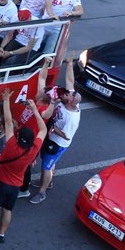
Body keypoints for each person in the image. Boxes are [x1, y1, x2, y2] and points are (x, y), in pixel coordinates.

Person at [0, 89, 47, 248]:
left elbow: (8, 122)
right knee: (7, 209)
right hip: (15, 185)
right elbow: (42, 130)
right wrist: (36, 111)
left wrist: (7, 100)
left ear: (18, 136)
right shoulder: (33, 150)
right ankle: (1, 234)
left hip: (0, 182)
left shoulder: (11, 145)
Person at [32, 55, 81, 204]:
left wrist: (53, 129)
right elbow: (70, 82)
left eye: (70, 94)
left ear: (71, 101)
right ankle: (48, 181)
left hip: (58, 142)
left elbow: (66, 136)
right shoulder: (66, 102)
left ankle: (42, 191)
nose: (68, 92)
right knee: (47, 163)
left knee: (46, 166)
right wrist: (70, 65)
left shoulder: (71, 117)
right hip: (51, 137)